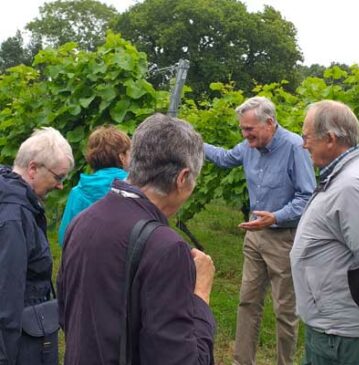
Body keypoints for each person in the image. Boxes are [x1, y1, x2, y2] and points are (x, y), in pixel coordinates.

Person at [57, 113, 216, 365]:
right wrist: (200, 296)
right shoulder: (166, 248)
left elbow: (66, 313)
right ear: (182, 178)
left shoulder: (82, 221)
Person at [204, 96, 316, 365]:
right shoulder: (247, 147)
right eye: (242, 129)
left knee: (284, 310)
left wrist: (275, 217)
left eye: (250, 129)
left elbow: (307, 196)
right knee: (247, 302)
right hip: (254, 236)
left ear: (270, 123)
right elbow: (224, 158)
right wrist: (194, 142)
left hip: (284, 238)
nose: (245, 135)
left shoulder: (294, 148)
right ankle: (242, 362)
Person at [290, 100, 359, 365]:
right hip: (331, 324)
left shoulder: (350, 187)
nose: (303, 144)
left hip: (338, 331)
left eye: (307, 136)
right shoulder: (345, 174)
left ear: (331, 139)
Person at [0, 127, 74, 364]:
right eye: (58, 177)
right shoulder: (14, 216)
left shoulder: (14, 200)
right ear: (33, 169)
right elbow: (6, 295)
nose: (60, 185)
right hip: (20, 345)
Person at [58, 125, 130, 245]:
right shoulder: (135, 189)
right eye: (129, 154)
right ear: (122, 157)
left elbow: (64, 238)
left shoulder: (78, 192)